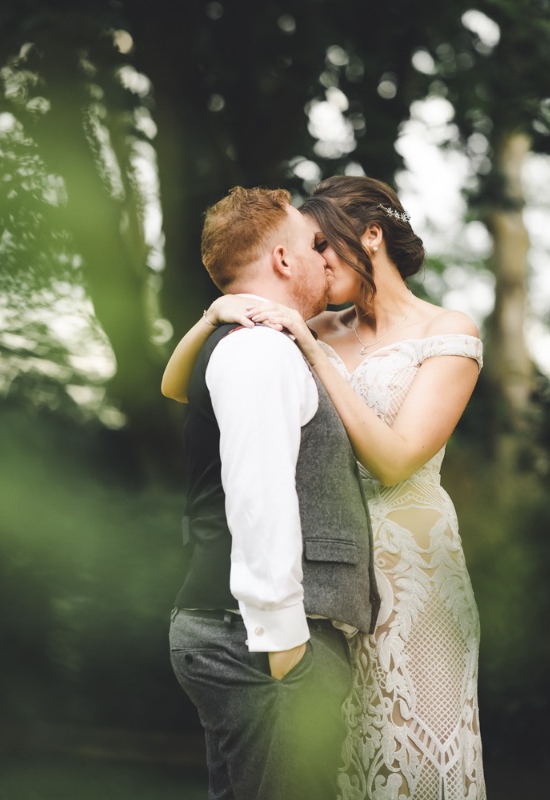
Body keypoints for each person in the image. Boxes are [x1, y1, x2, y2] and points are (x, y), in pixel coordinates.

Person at [163, 175, 486, 800]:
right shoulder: (313, 325)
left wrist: (312, 350)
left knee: (410, 762)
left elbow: (394, 462)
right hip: (322, 575)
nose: (319, 260)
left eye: (326, 245)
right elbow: (180, 386)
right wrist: (213, 315)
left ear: (372, 236)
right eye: (310, 246)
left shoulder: (446, 331)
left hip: (410, 569)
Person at [168, 185, 380, 800]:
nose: (326, 257)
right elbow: (259, 496)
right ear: (284, 261)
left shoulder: (256, 343)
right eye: (315, 245)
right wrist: (285, 646)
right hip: (260, 644)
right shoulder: (260, 349)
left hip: (242, 636)